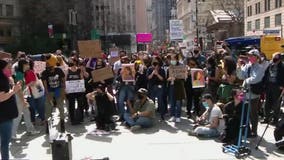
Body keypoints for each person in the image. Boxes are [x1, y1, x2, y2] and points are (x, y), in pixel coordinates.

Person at [236, 49, 266, 137]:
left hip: (254, 93)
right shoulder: (247, 66)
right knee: (244, 112)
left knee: (253, 113)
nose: (249, 57)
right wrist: (238, 67)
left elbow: (255, 79)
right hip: (244, 92)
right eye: (249, 56)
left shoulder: (260, 68)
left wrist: (246, 80)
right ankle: (246, 130)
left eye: (251, 56)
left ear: (256, 57)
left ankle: (254, 131)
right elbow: (240, 76)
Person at [0, 59, 21, 160]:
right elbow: (1, 98)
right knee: (5, 142)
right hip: (4, 116)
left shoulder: (5, 78)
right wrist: (14, 91)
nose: (10, 69)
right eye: (8, 68)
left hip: (6, 114)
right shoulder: (1, 80)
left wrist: (11, 83)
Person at [41, 54, 66, 133]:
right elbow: (45, 84)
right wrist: (47, 94)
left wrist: (63, 90)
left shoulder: (59, 70)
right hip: (50, 91)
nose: (47, 65)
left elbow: (63, 79)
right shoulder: (44, 72)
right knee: (48, 108)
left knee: (61, 107)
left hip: (59, 90)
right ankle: (48, 126)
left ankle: (62, 123)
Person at [261, 52, 284, 125]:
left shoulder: (282, 66)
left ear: (280, 59)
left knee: (276, 103)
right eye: (273, 57)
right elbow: (265, 74)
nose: (274, 59)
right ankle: (266, 118)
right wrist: (264, 85)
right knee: (267, 103)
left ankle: (275, 119)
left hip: (277, 87)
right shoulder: (270, 65)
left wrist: (282, 85)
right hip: (269, 86)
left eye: (276, 58)